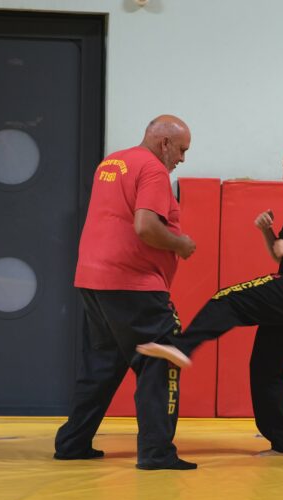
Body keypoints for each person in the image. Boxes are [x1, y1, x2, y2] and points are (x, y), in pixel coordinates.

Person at [136, 137, 283, 456]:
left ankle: (183, 347)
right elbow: (282, 256)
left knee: (228, 297)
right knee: (266, 371)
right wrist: (269, 233)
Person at [54, 115, 198, 470]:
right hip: (133, 284)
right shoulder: (152, 169)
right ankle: (157, 452)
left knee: (102, 364)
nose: (182, 158)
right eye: (181, 149)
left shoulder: (112, 162)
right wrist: (180, 244)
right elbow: (146, 226)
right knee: (160, 362)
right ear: (165, 143)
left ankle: (73, 442)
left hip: (94, 279)